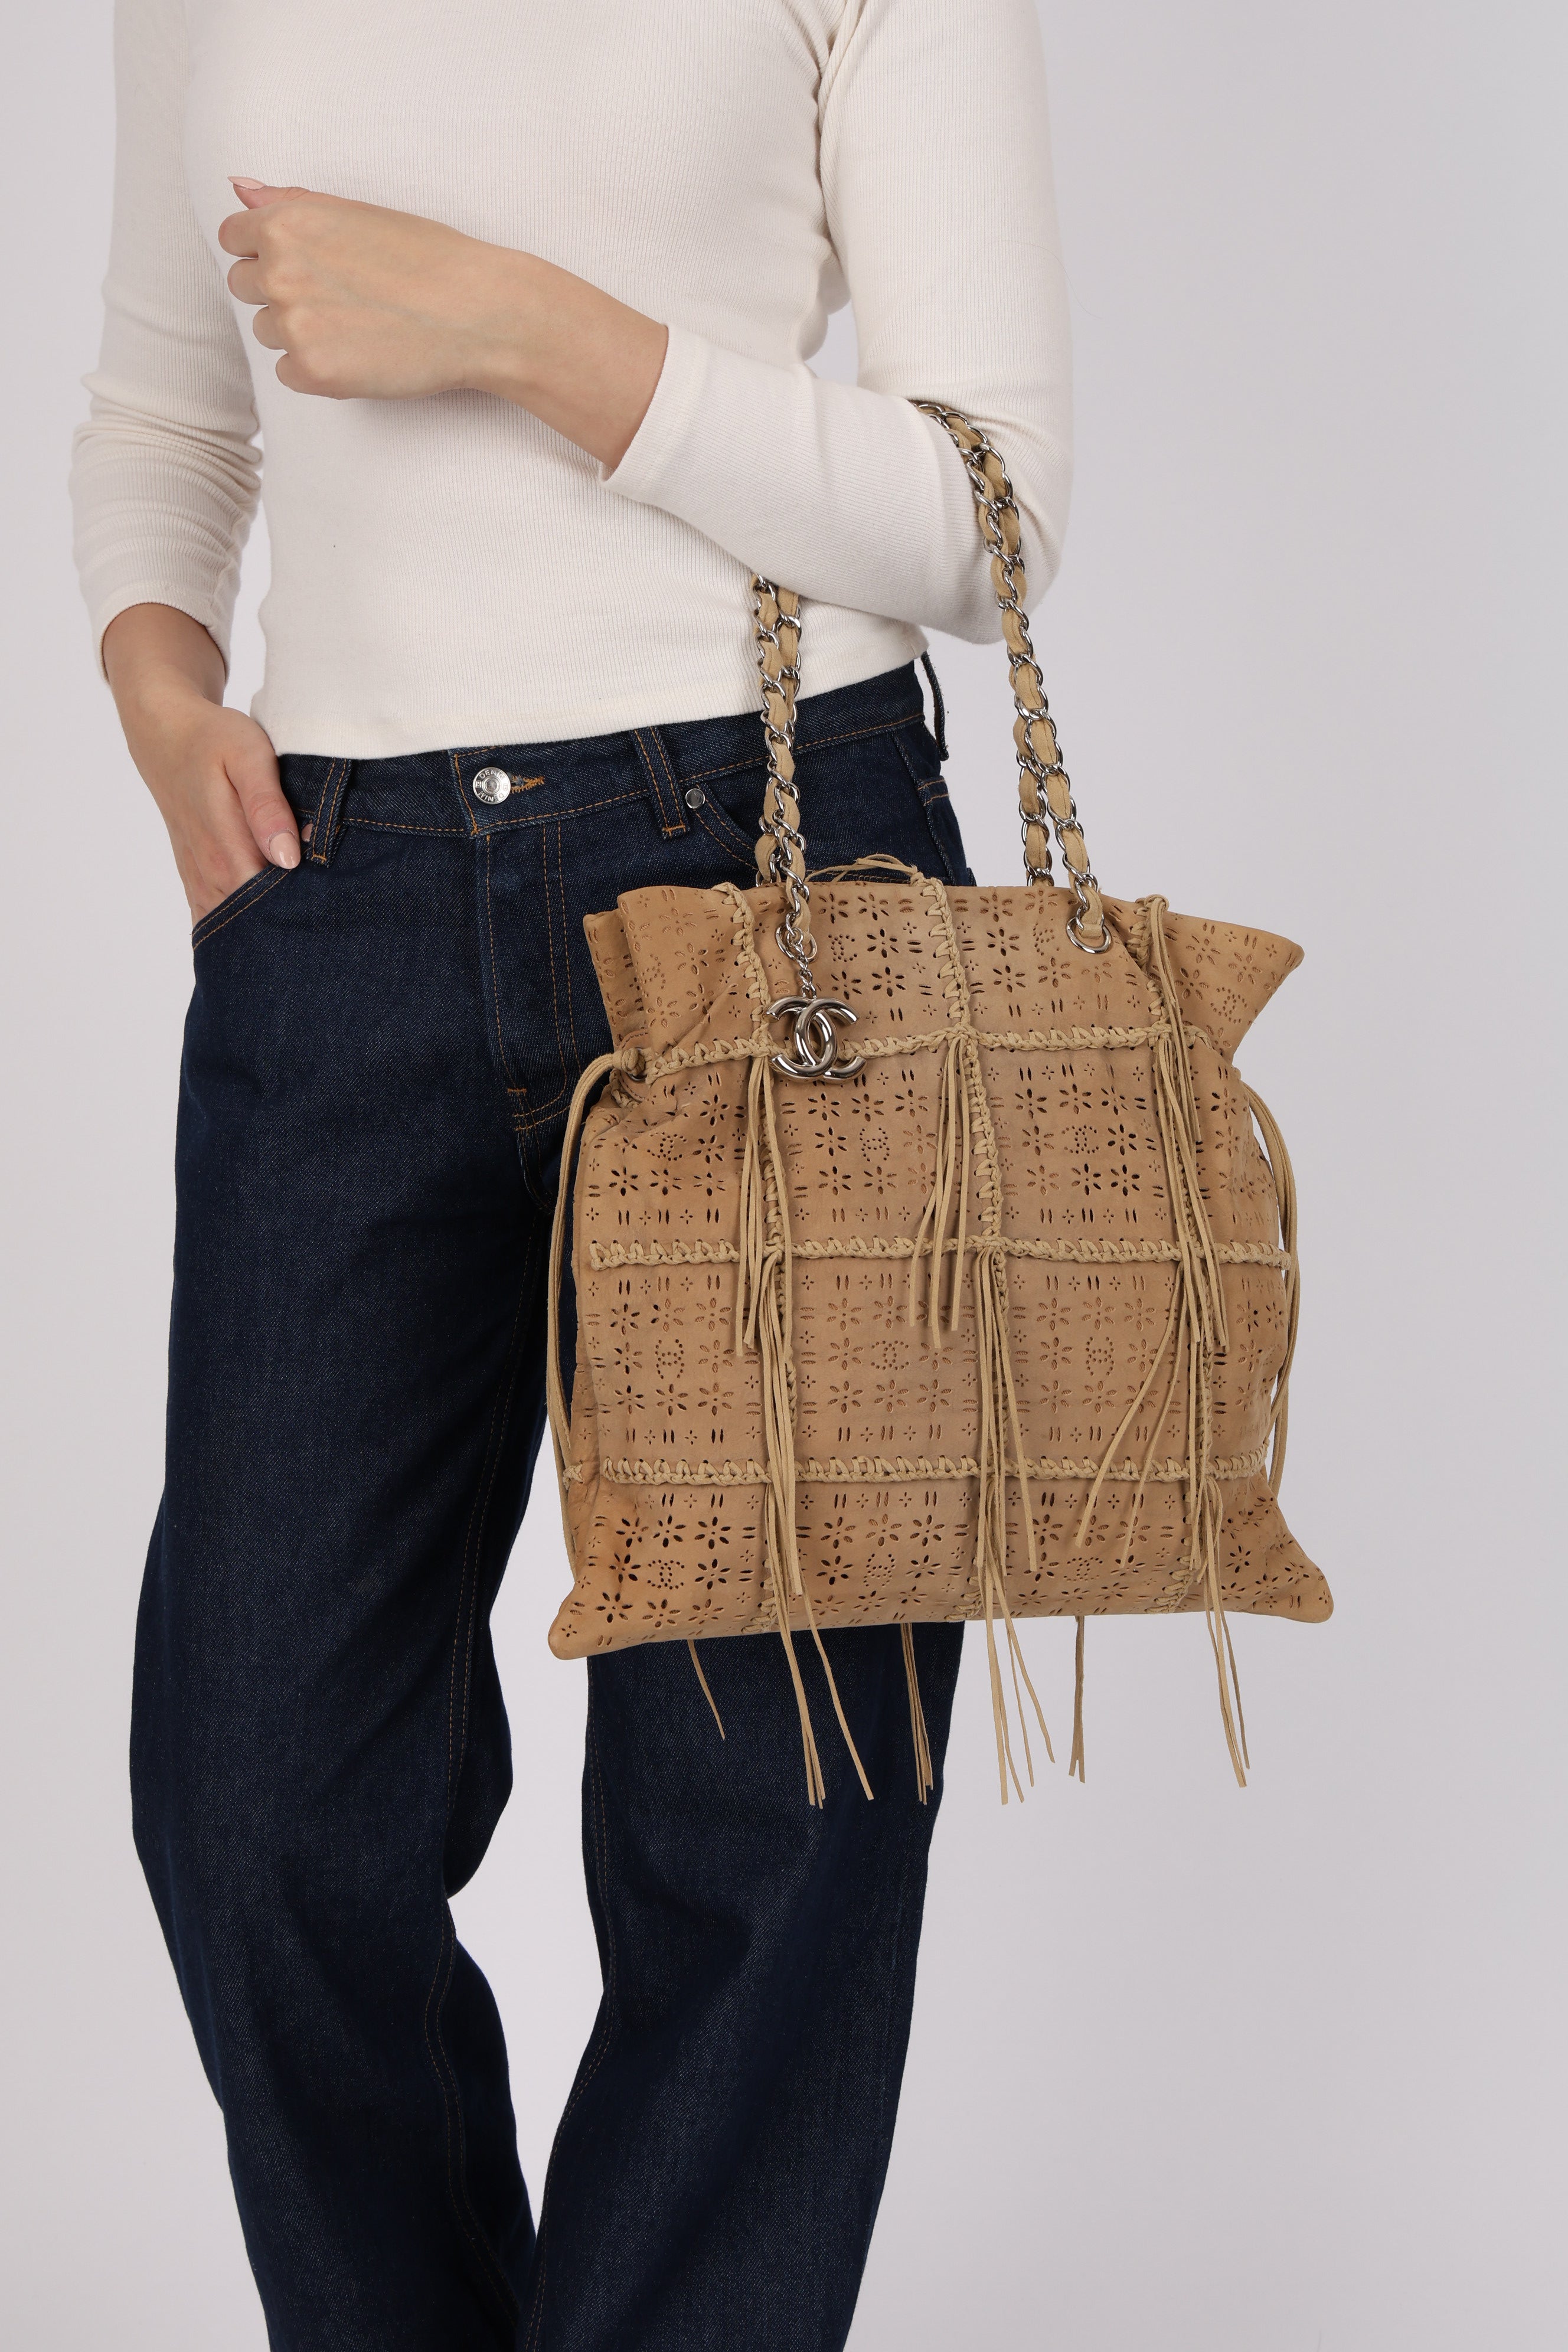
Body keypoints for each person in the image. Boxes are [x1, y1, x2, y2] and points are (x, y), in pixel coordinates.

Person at [70, 3, 1072, 2345]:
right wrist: (161, 693)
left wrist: (531, 332)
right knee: (258, 1813)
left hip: (780, 877)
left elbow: (992, 511)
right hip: (340, 892)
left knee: (775, 1815)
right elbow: (170, 413)